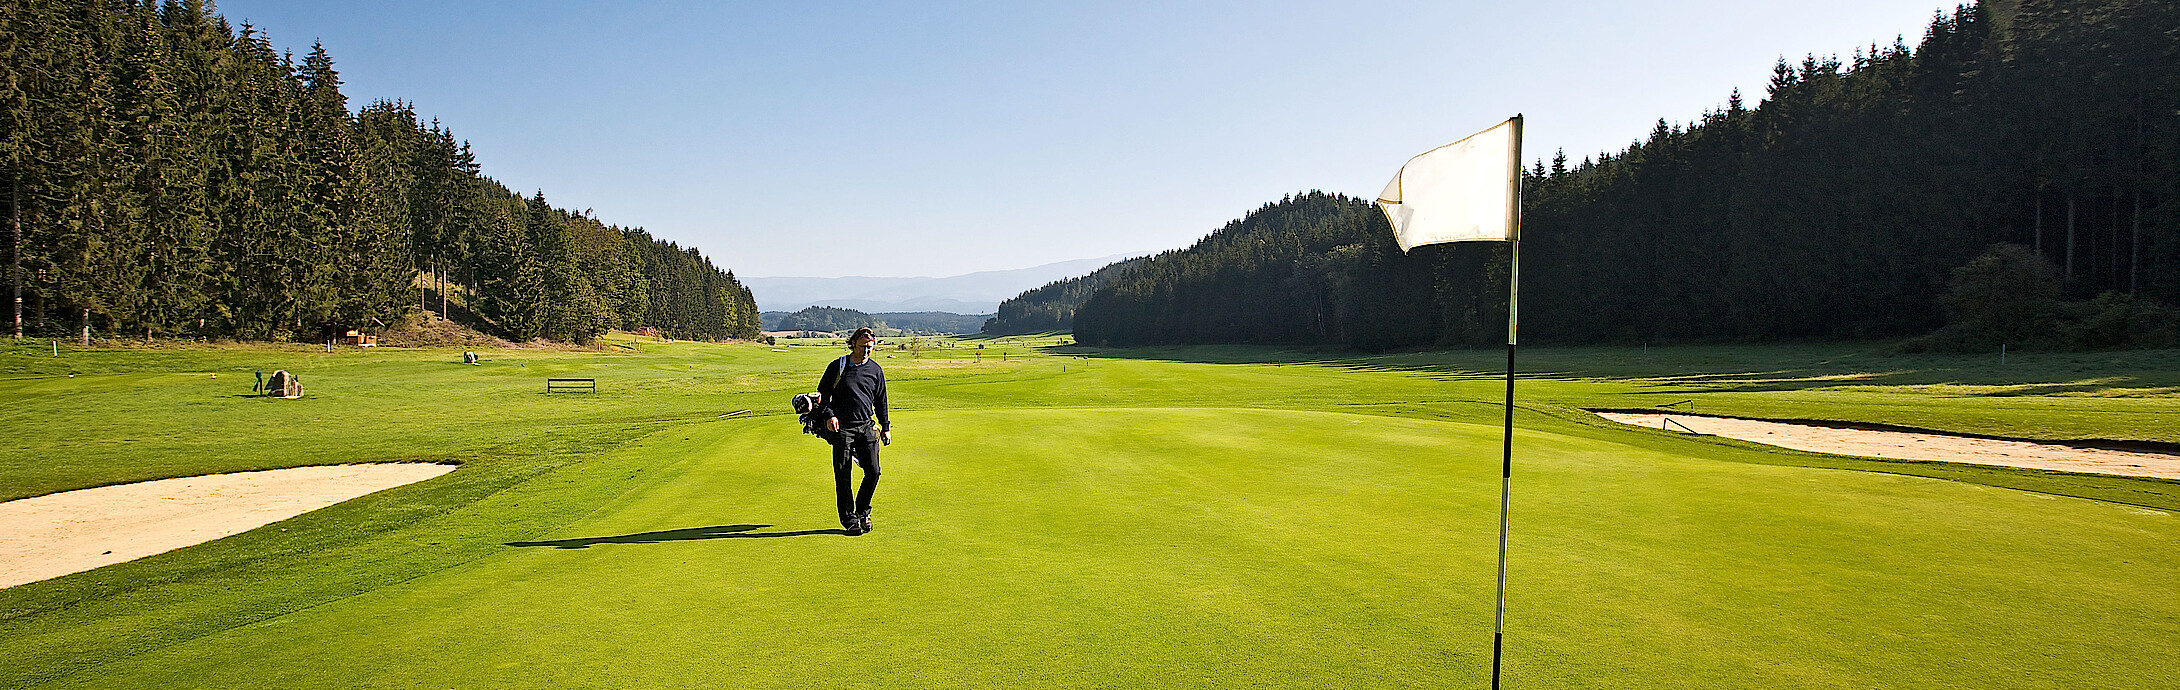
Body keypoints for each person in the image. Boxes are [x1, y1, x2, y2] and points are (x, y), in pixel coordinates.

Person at [819, 328, 892, 535]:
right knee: (843, 475)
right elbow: (822, 394)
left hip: (866, 427)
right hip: (842, 428)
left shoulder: (875, 370)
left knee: (874, 471)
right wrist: (829, 415)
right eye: (863, 346)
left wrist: (885, 427)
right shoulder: (838, 366)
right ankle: (849, 519)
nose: (867, 350)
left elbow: (881, 401)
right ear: (853, 344)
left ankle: (862, 511)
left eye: (870, 347)